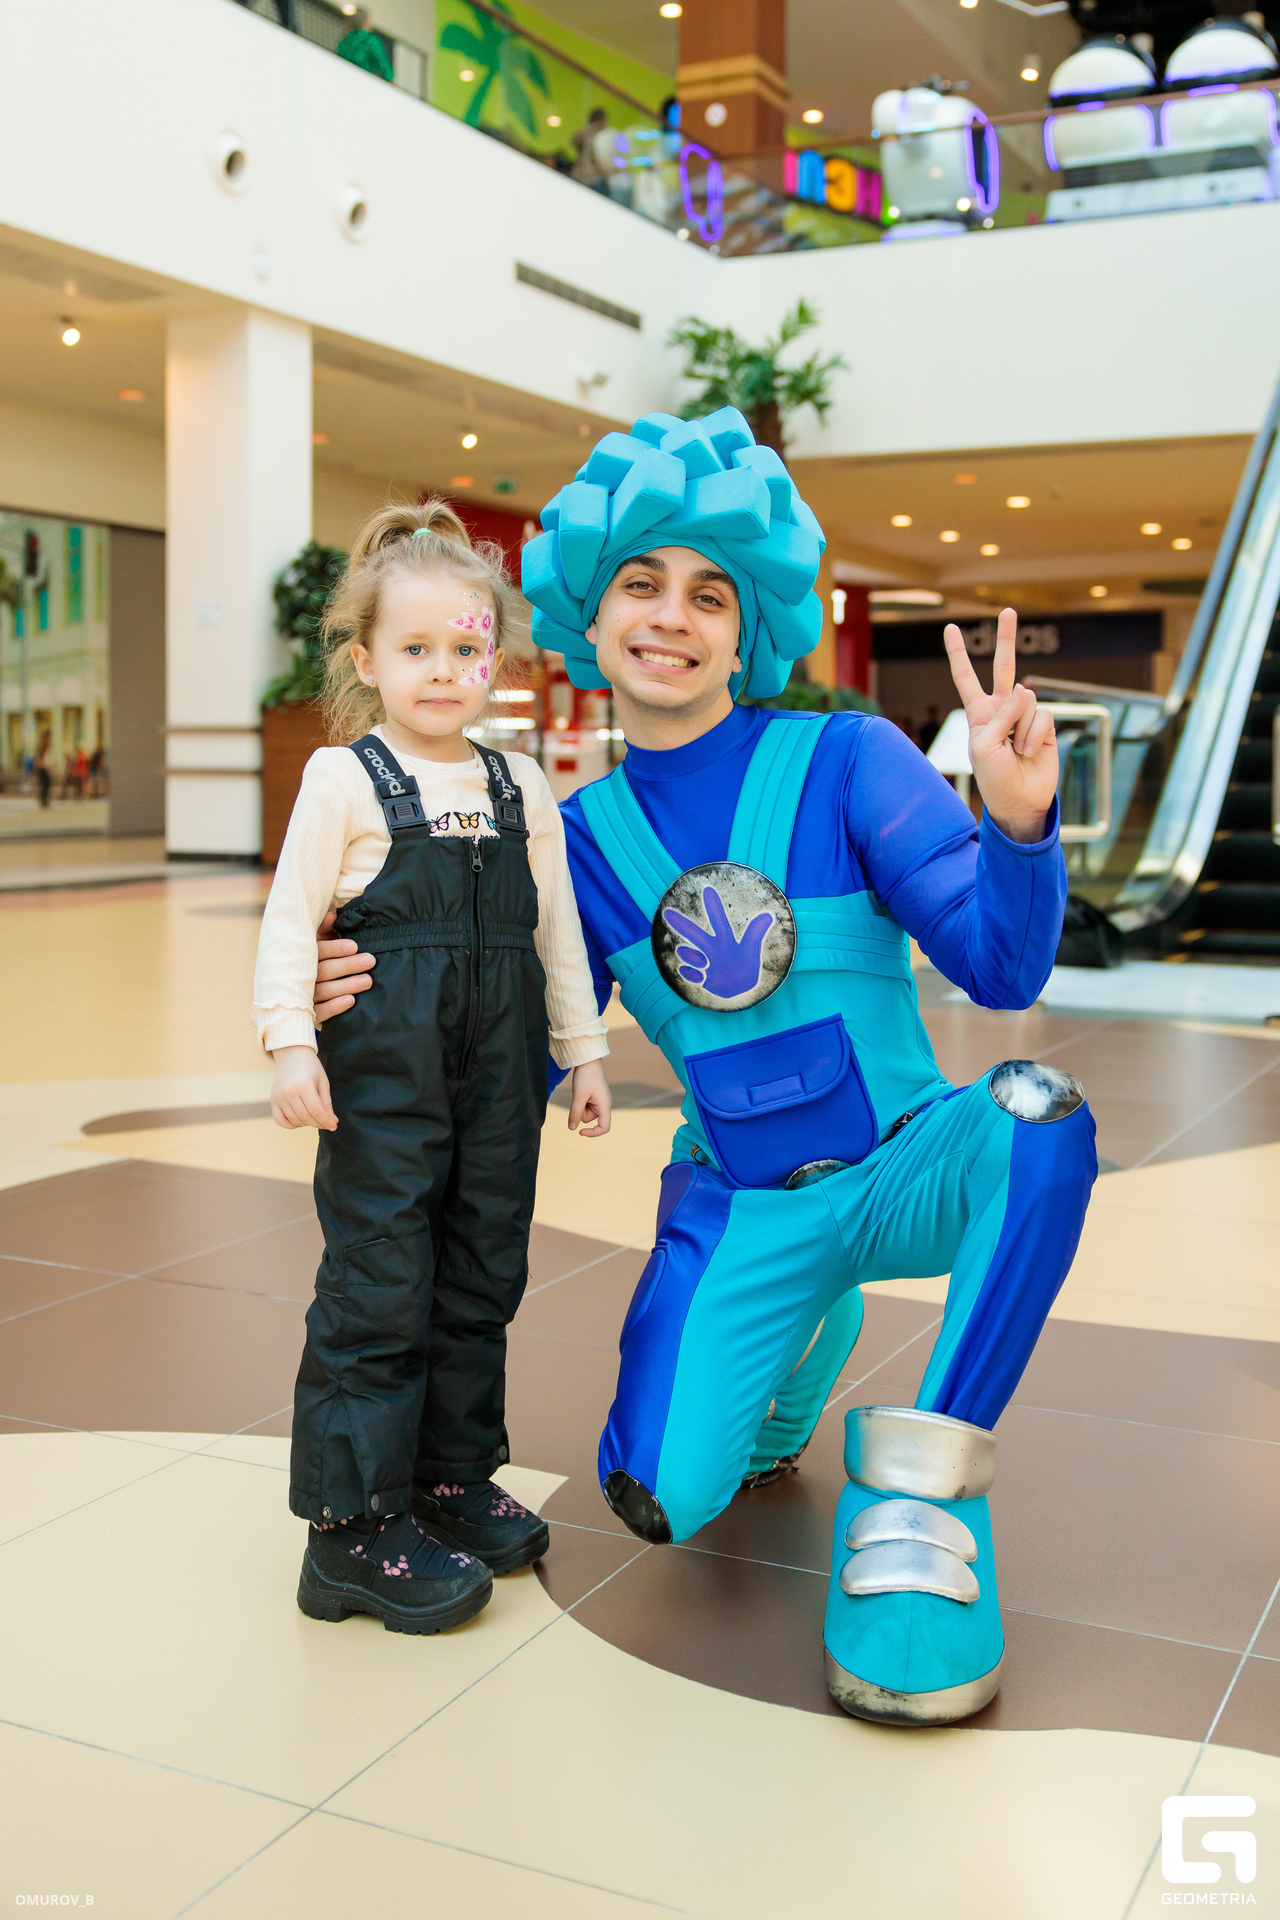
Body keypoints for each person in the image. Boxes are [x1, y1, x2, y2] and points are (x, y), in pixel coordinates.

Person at [310, 413, 1096, 1726]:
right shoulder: (568, 841)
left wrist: (1017, 828)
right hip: (741, 1209)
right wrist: (346, 987)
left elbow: (1002, 972)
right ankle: (802, 1339)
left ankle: (918, 1502)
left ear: (748, 631)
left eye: (709, 594)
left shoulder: (847, 760)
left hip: (906, 1166)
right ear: (591, 615)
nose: (671, 616)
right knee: (655, 1496)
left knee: (1037, 1116)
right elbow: (497, 1044)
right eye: (641, 582)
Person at [254, 499, 612, 1638]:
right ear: (367, 661)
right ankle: (350, 1530)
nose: (444, 671)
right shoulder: (343, 779)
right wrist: (289, 1042)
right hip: (384, 1087)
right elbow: (289, 921)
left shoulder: (520, 787)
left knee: (480, 1271)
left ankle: (449, 1480)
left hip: (502, 1082)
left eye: (466, 649)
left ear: (494, 659)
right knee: (379, 1284)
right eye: (416, 649)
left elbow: (556, 933)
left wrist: (584, 1052)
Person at [334, 7, 393, 82]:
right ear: (365, 22)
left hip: (346, 77)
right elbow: (383, 63)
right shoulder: (371, 40)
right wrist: (389, 79)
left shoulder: (345, 40)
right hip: (365, 79)